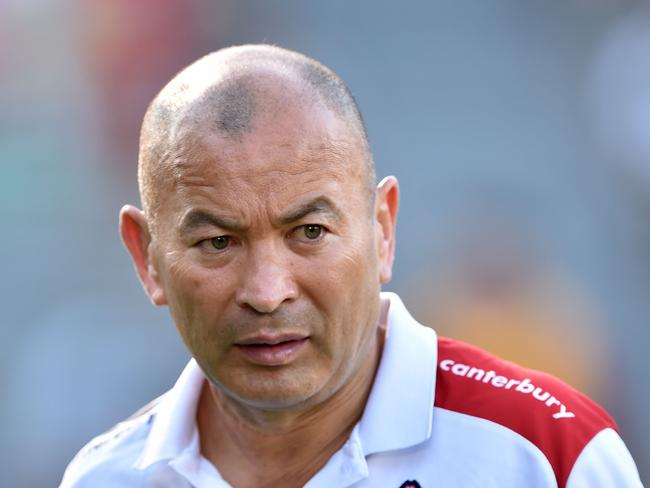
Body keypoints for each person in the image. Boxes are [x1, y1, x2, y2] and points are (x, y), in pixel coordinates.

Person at [60, 45, 643, 488]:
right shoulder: (105, 477)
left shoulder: (547, 457)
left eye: (309, 233)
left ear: (382, 230)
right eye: (217, 243)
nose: (266, 293)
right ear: (147, 257)